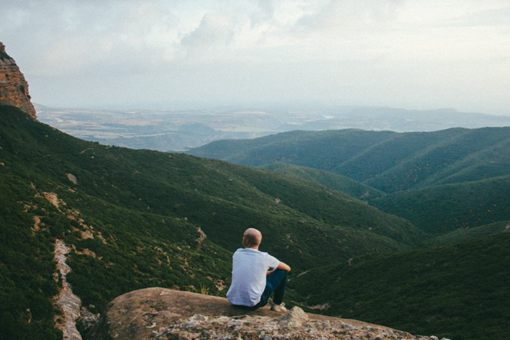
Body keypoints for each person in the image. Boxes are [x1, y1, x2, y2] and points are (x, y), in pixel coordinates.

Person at [226, 227, 291, 312]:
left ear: (246, 240)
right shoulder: (265, 257)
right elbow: (288, 268)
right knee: (283, 271)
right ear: (259, 241)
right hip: (253, 304)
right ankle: (277, 304)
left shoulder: (237, 253)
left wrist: (264, 272)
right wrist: (270, 271)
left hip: (233, 301)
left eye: (243, 236)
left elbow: (249, 270)